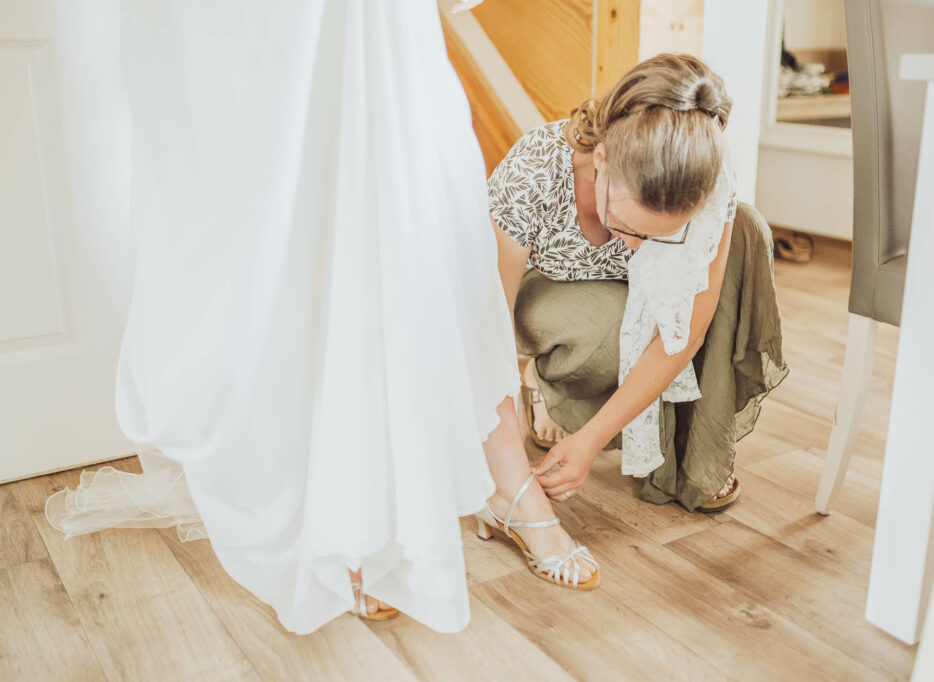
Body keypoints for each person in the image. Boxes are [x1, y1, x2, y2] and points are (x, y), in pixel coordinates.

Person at [45, 0, 597, 635]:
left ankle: (507, 487)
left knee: (433, 253)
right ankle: (341, 515)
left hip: (389, 40)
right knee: (310, 260)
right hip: (282, 37)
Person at [487, 53, 785, 512]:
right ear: (601, 159)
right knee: (609, 328)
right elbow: (489, 323)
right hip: (545, 288)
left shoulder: (708, 176)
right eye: (626, 226)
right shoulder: (534, 171)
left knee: (746, 228)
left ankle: (692, 447)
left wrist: (588, 441)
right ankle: (542, 382)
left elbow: (686, 335)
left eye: (657, 236)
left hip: (642, 296)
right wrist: (503, 449)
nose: (634, 247)